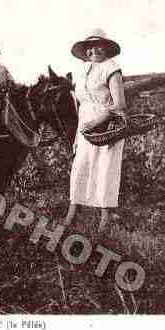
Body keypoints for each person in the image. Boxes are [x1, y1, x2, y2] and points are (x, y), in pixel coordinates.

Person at [64, 29, 126, 233]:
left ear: (106, 48)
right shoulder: (82, 71)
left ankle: (104, 220)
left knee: (105, 170)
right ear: (85, 51)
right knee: (80, 168)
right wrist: (76, 136)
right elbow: (82, 105)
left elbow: (119, 104)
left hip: (109, 126)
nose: (94, 50)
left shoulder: (111, 68)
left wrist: (96, 122)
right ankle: (72, 214)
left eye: (99, 45)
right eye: (90, 47)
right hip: (86, 127)